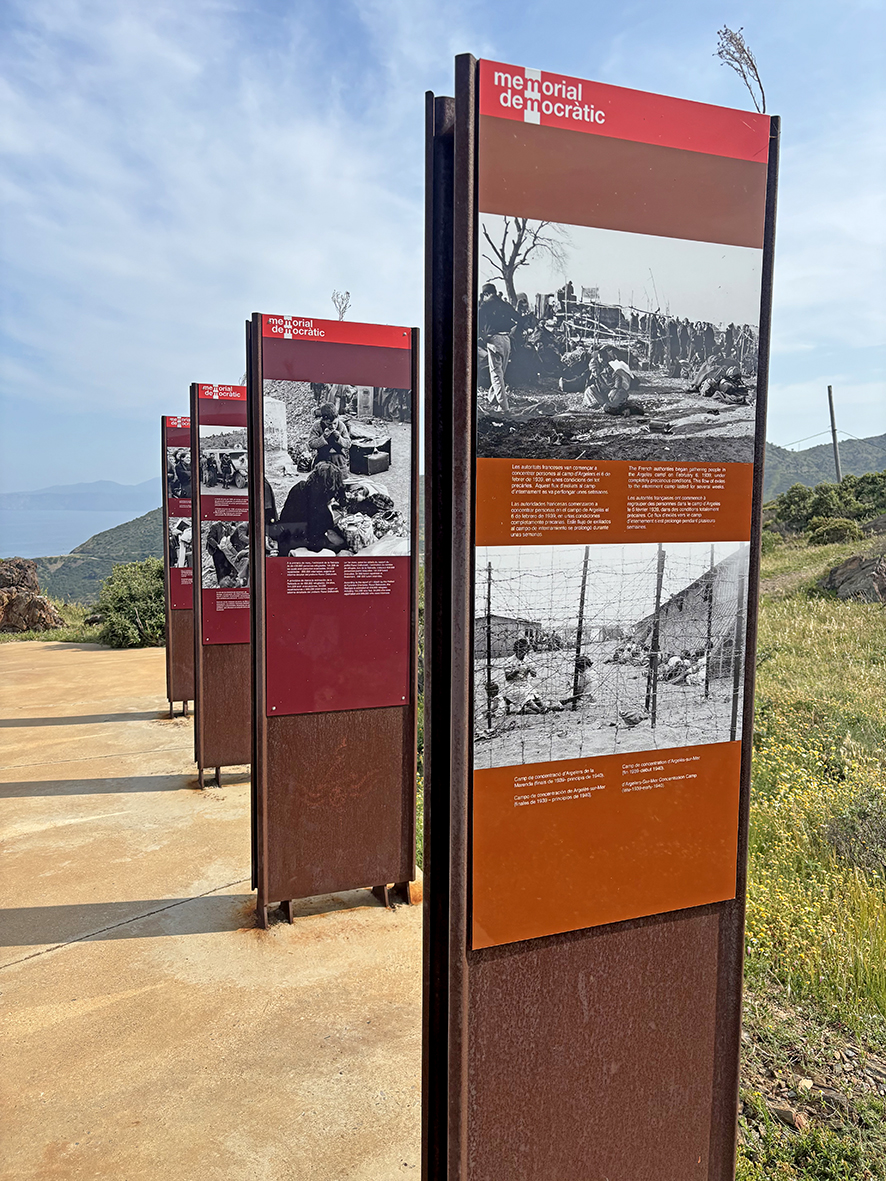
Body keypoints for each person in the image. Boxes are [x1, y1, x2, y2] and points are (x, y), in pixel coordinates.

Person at [478, 283, 519, 412]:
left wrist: (483, 337)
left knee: (496, 375)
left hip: (494, 340)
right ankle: (492, 398)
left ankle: (503, 408)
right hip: (507, 340)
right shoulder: (505, 304)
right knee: (501, 373)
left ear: (486, 294)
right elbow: (518, 319)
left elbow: (476, 322)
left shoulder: (485, 305)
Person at [583, 350, 643, 416]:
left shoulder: (610, 369)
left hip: (615, 391)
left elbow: (618, 379)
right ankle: (599, 404)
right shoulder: (595, 374)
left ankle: (626, 409)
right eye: (593, 371)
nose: (594, 372)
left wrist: (615, 389)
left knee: (613, 404)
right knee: (590, 390)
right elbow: (595, 385)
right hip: (604, 392)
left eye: (595, 370)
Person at [308, 403, 351, 472]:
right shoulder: (317, 426)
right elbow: (311, 444)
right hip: (322, 458)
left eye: (335, 423)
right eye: (329, 424)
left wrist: (339, 438)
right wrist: (323, 437)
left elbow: (348, 444)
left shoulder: (341, 425)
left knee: (340, 479)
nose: (333, 427)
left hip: (339, 460)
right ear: (323, 420)